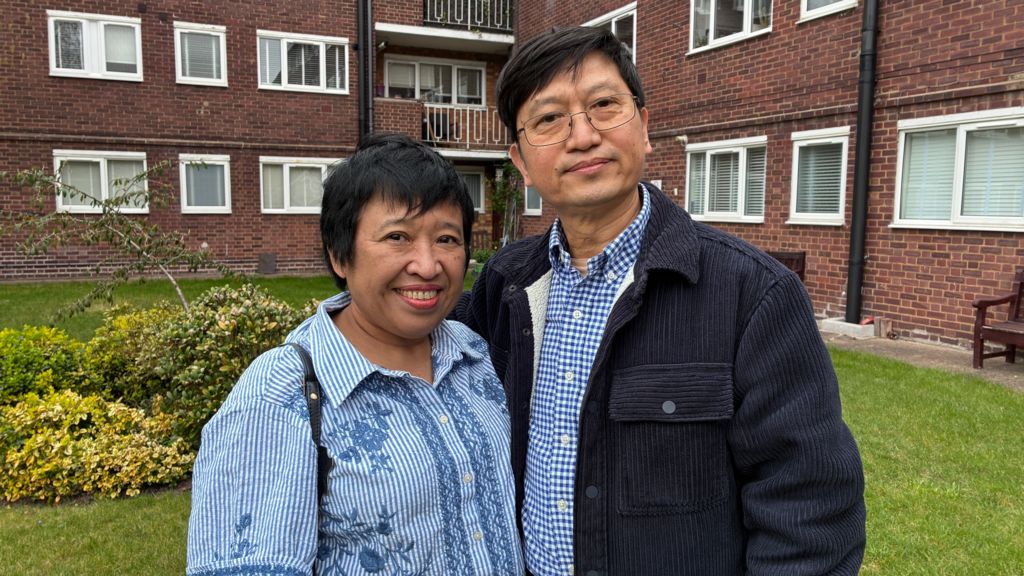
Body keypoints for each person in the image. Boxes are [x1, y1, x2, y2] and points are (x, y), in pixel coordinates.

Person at [453, 27, 866, 575]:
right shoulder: (505, 284)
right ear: (521, 162)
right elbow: (417, 351)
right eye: (549, 119)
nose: (582, 135)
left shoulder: (751, 295)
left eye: (604, 105)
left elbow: (810, 512)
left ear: (644, 128)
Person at [188, 133, 524, 575]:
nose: (427, 264)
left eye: (446, 239)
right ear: (340, 256)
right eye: (398, 237)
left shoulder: (474, 356)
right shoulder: (280, 395)